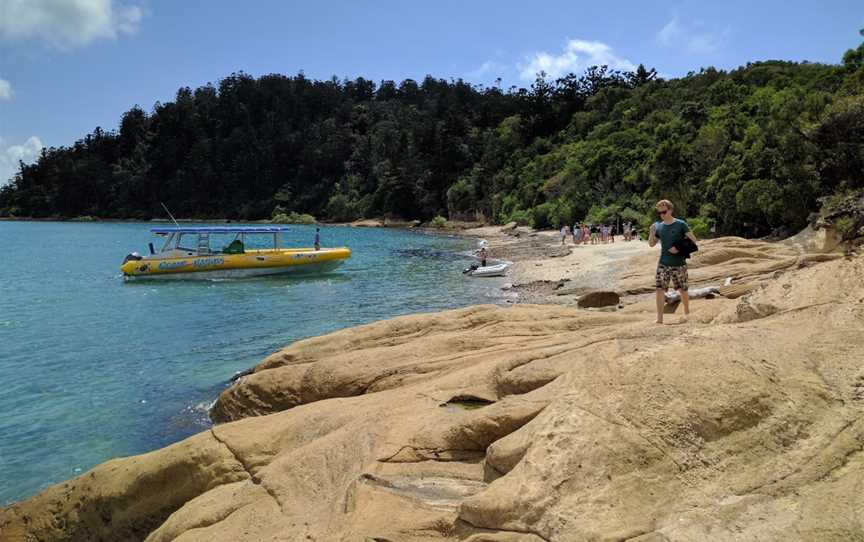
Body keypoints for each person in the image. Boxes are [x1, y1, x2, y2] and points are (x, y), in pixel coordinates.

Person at [649, 199, 699, 324]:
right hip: (663, 263)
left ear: (670, 210)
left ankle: (687, 312)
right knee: (659, 289)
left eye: (664, 212)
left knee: (682, 289)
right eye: (659, 213)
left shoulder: (681, 224)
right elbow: (651, 244)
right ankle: (660, 318)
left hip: (679, 263)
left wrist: (678, 248)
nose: (662, 215)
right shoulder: (659, 226)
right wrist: (651, 232)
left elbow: (693, 240)